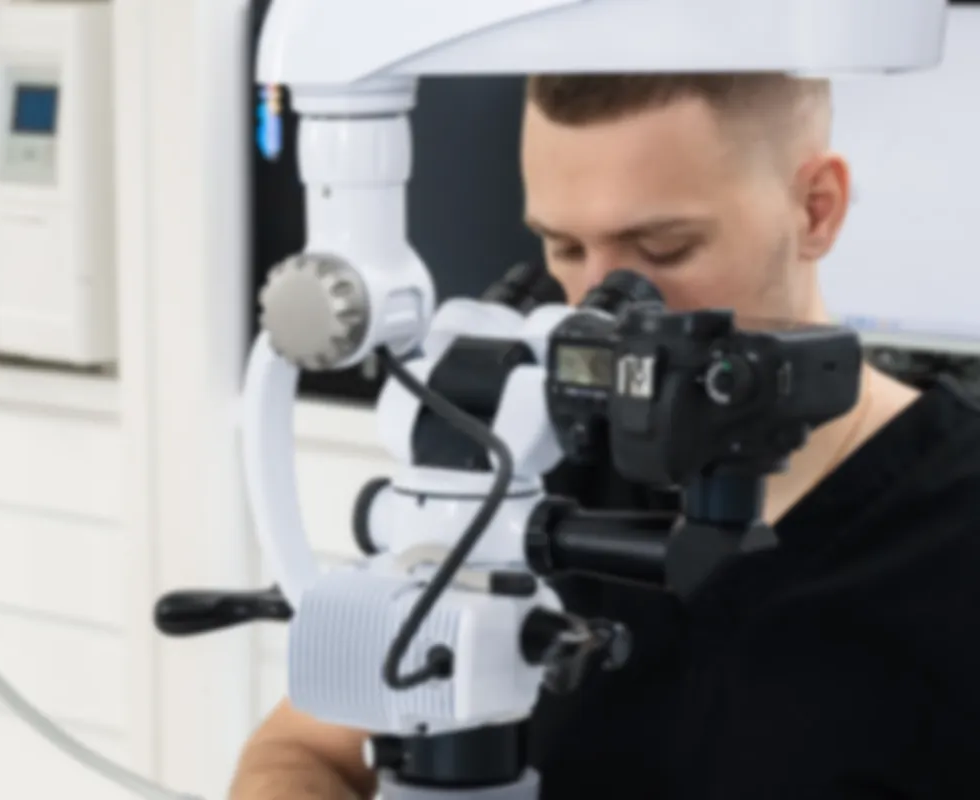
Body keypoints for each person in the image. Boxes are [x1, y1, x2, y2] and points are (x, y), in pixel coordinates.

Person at [230, 73, 980, 800]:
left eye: (662, 251)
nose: (597, 313)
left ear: (817, 210)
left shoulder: (954, 525)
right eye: (562, 248)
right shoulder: (524, 466)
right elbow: (302, 745)